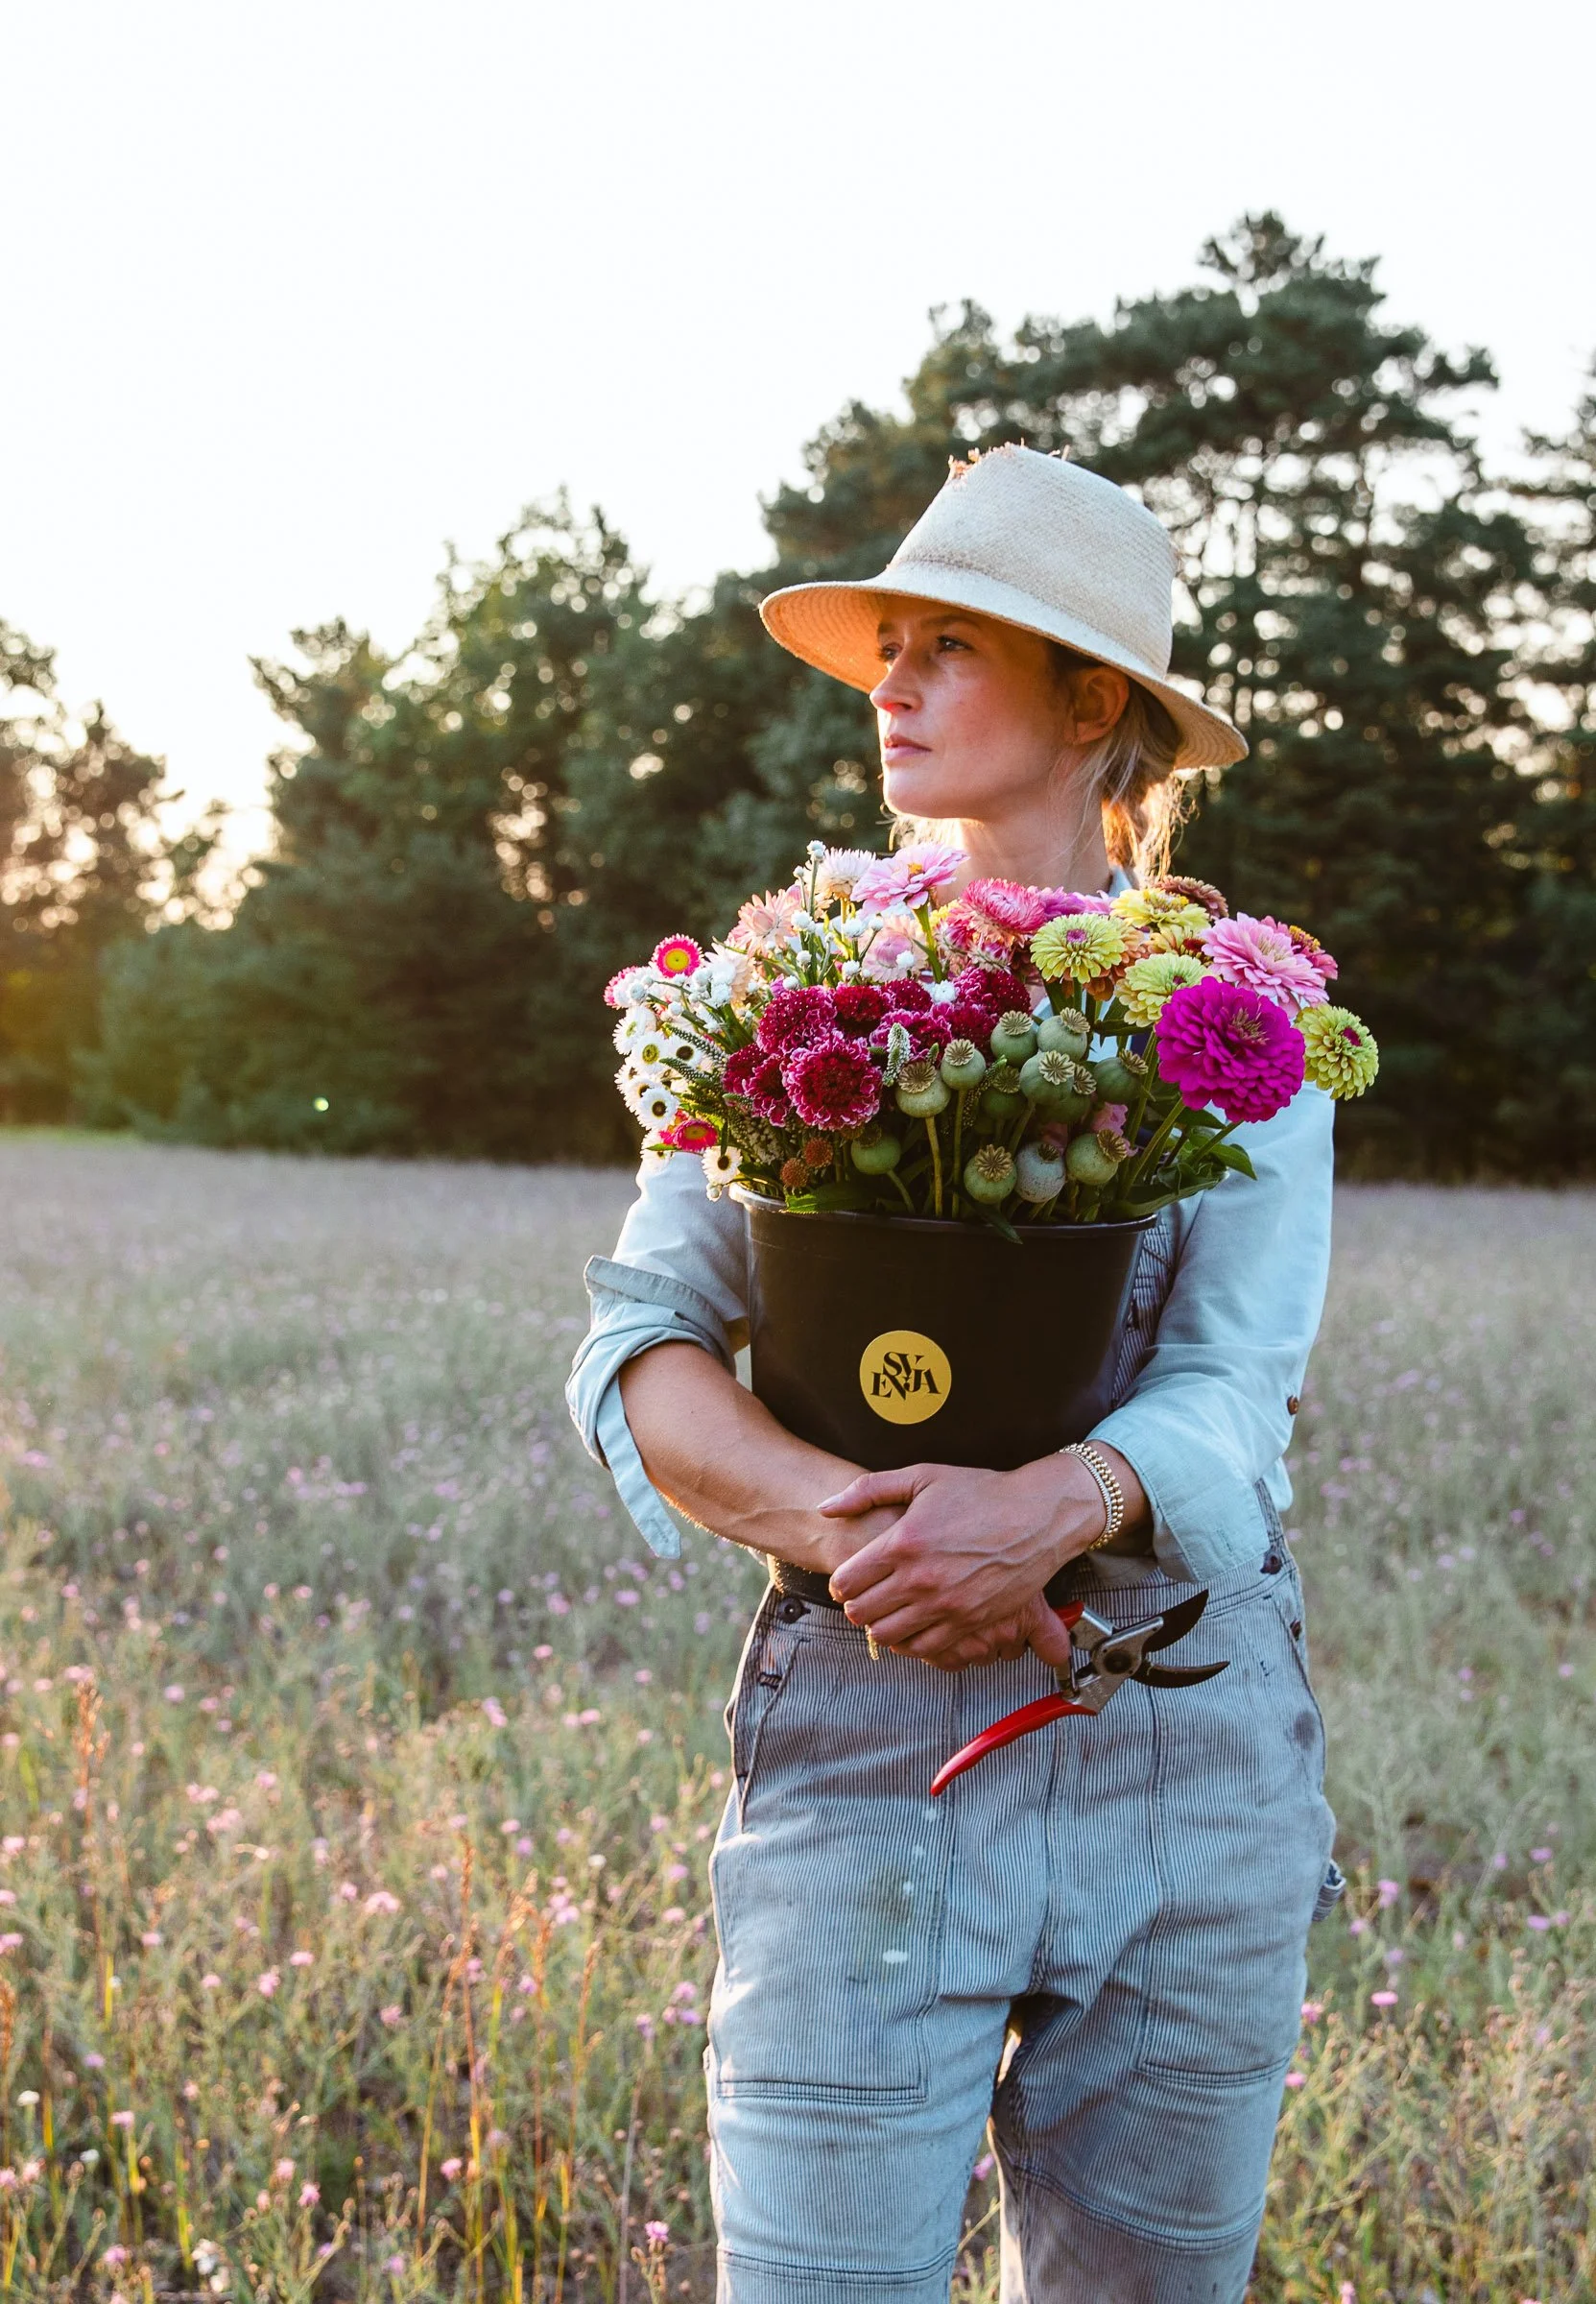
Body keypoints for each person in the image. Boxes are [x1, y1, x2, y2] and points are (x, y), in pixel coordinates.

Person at [567, 444, 1345, 2304]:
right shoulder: (776, 989)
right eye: (887, 646)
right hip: (867, 1753)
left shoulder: (1243, 1022)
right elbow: (641, 1349)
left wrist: (1055, 1509)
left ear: (1097, 706)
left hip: (1181, 1754)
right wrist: (876, 1537)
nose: (891, 685)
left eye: (951, 648)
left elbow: (1238, 1392)